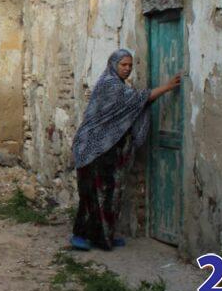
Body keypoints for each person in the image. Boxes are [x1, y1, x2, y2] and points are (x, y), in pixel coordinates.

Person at [69, 49, 181, 251]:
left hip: (107, 148)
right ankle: (81, 235)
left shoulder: (120, 85)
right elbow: (140, 98)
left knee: (109, 194)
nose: (127, 69)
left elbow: (134, 103)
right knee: (92, 194)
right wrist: (167, 87)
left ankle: (103, 237)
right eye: (123, 65)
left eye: (130, 65)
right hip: (92, 149)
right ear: (114, 65)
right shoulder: (110, 85)